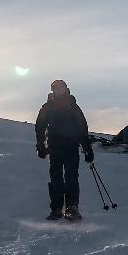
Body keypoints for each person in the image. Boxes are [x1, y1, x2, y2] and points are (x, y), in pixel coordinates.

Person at [35, 80, 93, 221]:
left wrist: (87, 147)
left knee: (71, 177)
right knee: (56, 178)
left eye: (61, 88)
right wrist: (40, 145)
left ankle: (72, 208)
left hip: (71, 146)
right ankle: (56, 209)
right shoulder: (48, 107)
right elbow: (40, 127)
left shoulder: (73, 106)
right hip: (54, 147)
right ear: (53, 91)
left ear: (66, 89)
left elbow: (82, 127)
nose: (59, 91)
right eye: (56, 89)